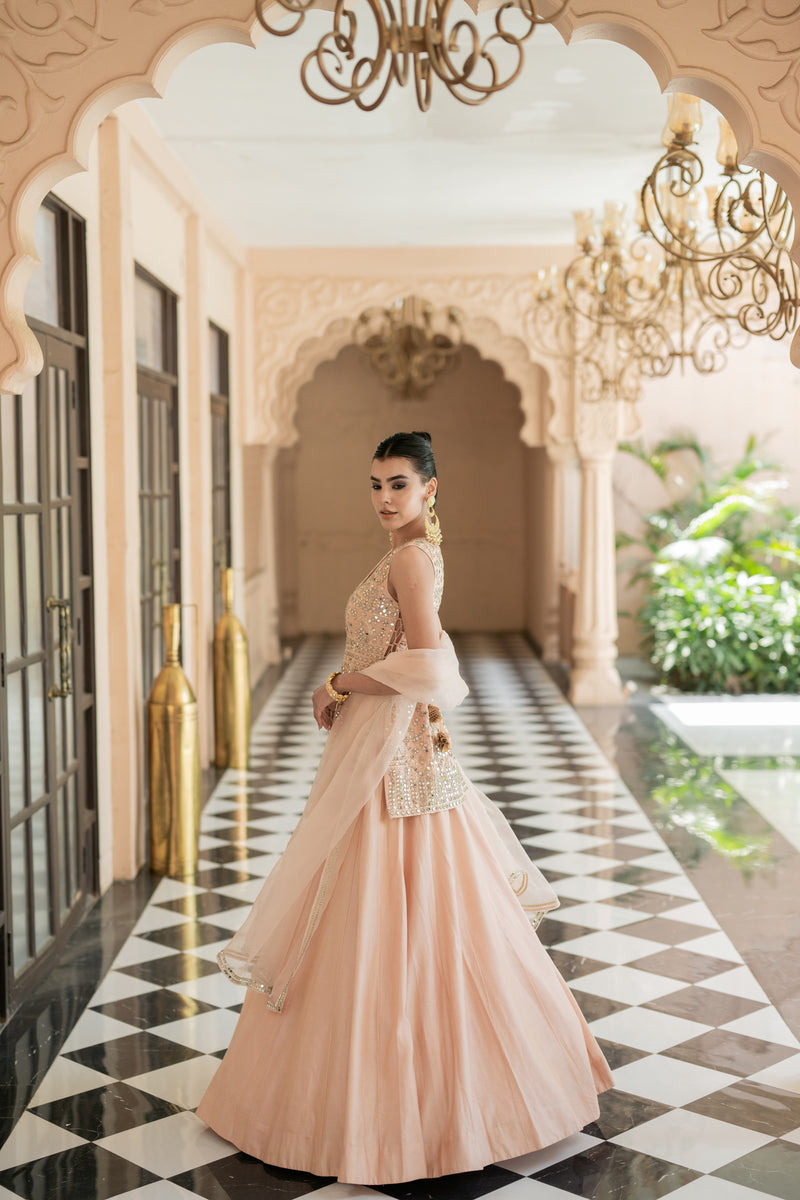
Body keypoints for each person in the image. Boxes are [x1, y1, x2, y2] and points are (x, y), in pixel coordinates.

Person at [197, 430, 613, 1185]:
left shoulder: (413, 558)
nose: (385, 498)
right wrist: (345, 688)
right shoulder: (408, 555)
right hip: (385, 748)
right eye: (376, 484)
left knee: (398, 915)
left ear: (430, 490)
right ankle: (384, 1102)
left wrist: (338, 686)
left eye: (399, 484)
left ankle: (416, 1113)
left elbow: (432, 663)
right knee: (382, 915)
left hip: (396, 764)